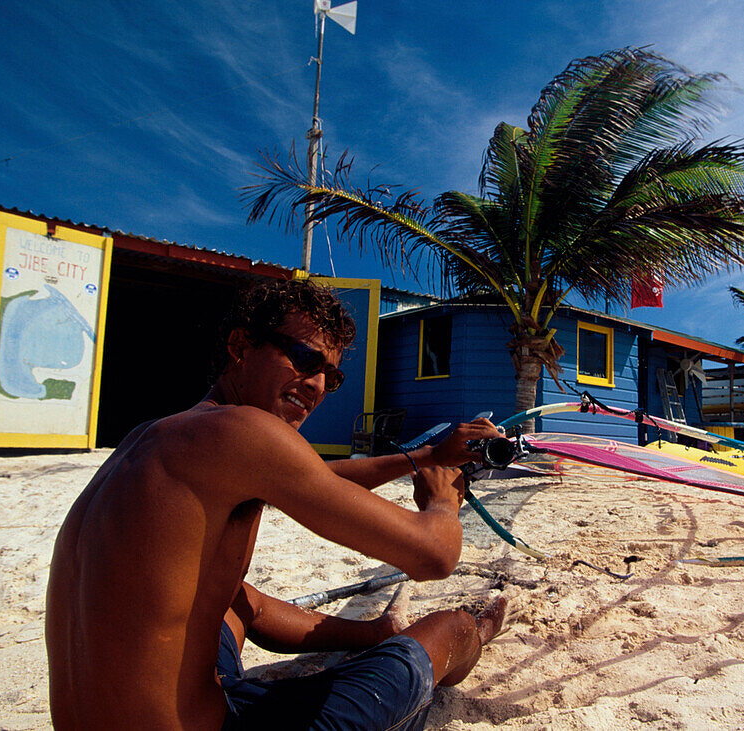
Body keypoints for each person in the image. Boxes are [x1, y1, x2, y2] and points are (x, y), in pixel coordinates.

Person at [45, 279, 507, 730]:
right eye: (306, 359)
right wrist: (442, 501)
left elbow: (315, 479)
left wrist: (426, 456)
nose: (318, 385)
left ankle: (373, 635)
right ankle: (474, 636)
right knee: (447, 630)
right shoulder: (247, 432)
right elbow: (434, 554)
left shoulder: (157, 438)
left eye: (332, 374)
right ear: (240, 346)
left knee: (232, 600)